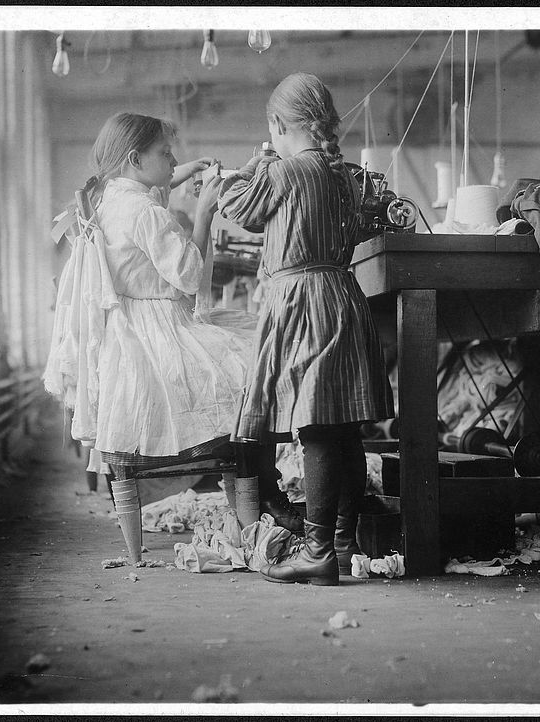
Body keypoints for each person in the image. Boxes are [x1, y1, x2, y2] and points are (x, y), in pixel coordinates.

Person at [43, 112, 300, 530]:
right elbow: (191, 277)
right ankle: (265, 492)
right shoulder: (146, 212)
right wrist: (204, 213)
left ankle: (261, 490)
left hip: (128, 333)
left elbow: (152, 190)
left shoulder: (110, 198)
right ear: (135, 159)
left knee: (249, 353)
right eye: (165, 154)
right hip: (159, 336)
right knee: (254, 364)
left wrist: (183, 172)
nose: (173, 159)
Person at [218, 73, 395, 586]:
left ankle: (317, 552)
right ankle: (340, 546)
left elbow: (237, 210)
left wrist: (252, 166)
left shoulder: (287, 171)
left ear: (277, 124)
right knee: (343, 431)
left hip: (304, 301)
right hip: (343, 294)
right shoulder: (345, 175)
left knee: (317, 427)